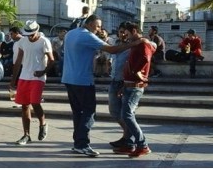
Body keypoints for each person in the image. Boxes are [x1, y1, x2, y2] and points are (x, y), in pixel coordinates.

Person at [61, 16, 141, 157]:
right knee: (89, 112)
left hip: (68, 78)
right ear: (90, 24)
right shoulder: (87, 36)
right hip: (83, 80)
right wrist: (135, 44)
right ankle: (82, 144)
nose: (99, 29)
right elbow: (113, 50)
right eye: (97, 26)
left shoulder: (70, 33)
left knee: (77, 112)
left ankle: (78, 143)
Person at [113, 21, 155, 157]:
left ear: (134, 31)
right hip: (129, 85)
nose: (124, 34)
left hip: (135, 86)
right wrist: (124, 85)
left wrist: (137, 72)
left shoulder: (143, 44)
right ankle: (130, 144)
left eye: (127, 32)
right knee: (127, 115)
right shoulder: (136, 45)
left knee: (127, 115)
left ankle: (142, 145)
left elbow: (145, 58)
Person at [10, 20, 54, 145]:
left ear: (37, 30)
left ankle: (43, 123)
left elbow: (52, 60)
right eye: (28, 34)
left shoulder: (44, 41)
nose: (30, 36)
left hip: (38, 77)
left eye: (32, 34)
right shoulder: (22, 41)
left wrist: (43, 72)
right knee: (24, 105)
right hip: (24, 76)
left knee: (35, 102)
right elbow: (18, 61)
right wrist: (13, 80)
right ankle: (26, 135)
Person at [108, 22, 132, 150]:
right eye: (120, 31)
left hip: (125, 82)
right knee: (114, 111)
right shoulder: (115, 44)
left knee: (125, 113)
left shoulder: (133, 46)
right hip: (114, 80)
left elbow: (152, 45)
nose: (122, 34)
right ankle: (127, 135)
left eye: (125, 32)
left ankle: (127, 138)